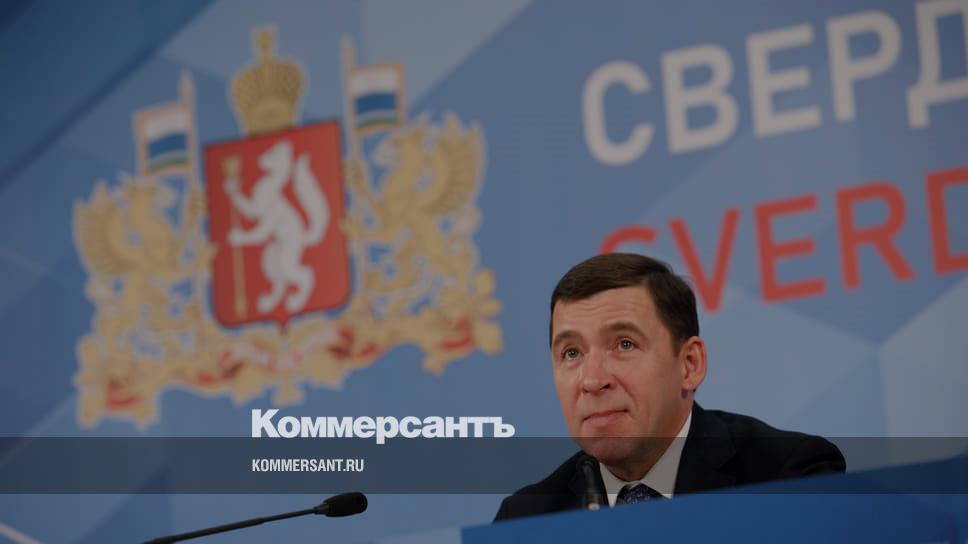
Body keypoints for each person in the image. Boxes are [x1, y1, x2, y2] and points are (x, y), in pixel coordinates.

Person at [494, 253, 845, 521]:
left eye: (624, 344)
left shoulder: (788, 477)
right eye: (571, 353)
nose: (592, 380)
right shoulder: (527, 519)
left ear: (689, 364)